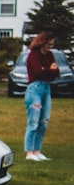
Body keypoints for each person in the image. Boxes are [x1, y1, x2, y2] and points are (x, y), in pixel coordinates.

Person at [24, 30, 60, 161]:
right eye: (48, 44)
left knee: (44, 121)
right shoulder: (33, 55)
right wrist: (50, 69)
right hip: (35, 89)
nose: (50, 47)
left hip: (46, 88)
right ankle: (29, 152)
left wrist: (50, 70)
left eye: (52, 44)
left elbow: (56, 72)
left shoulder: (50, 55)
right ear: (42, 42)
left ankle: (37, 150)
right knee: (33, 121)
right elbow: (38, 72)